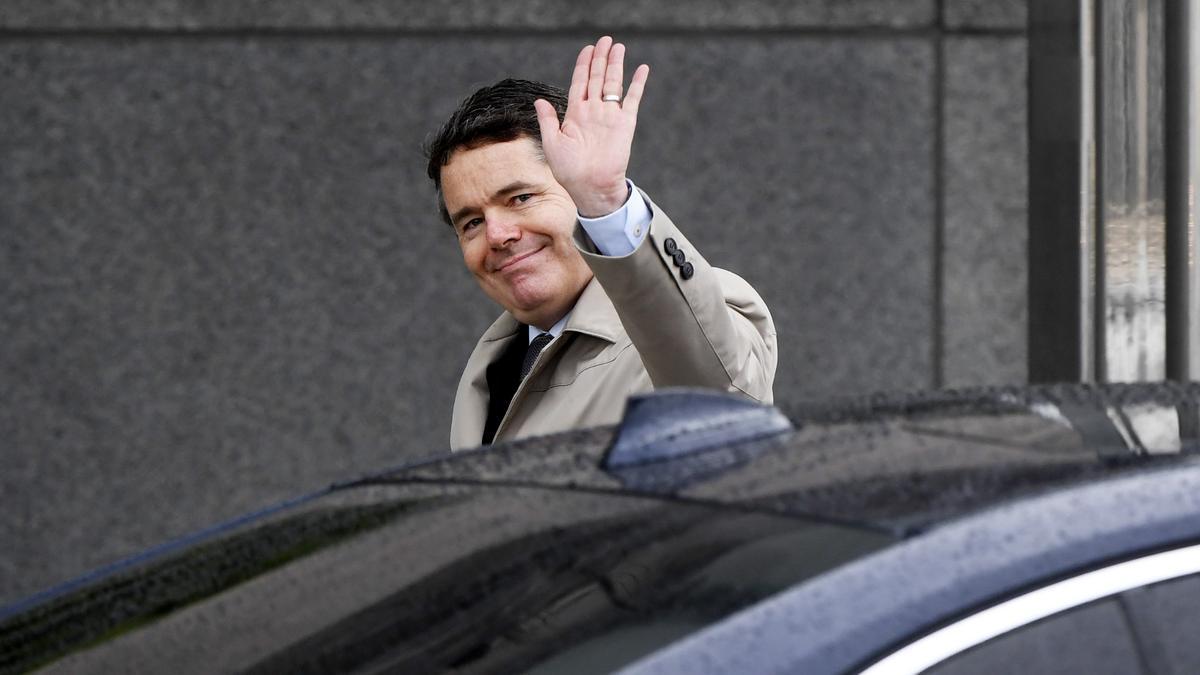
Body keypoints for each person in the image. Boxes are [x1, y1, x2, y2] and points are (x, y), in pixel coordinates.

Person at [426, 36, 777, 450]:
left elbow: (722, 406)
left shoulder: (694, 314)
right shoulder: (489, 369)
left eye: (521, 198)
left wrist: (604, 203)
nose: (498, 235)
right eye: (471, 222)